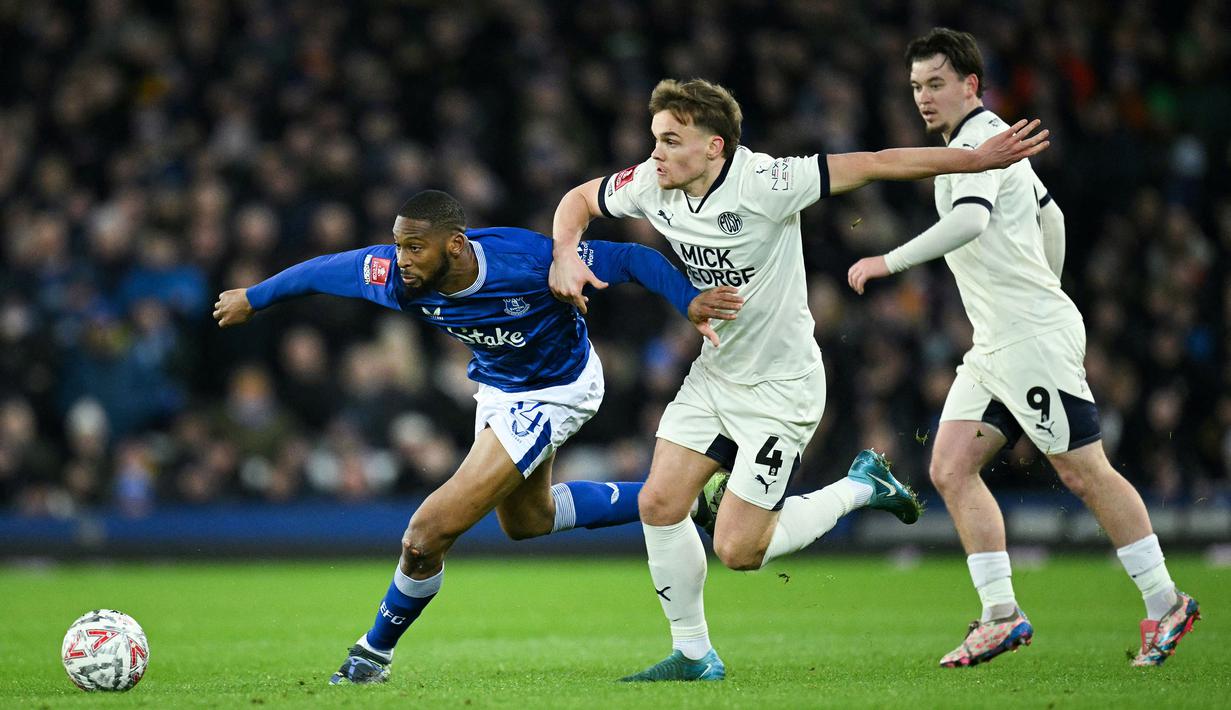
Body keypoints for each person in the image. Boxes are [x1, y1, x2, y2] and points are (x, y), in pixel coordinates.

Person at [549, 78, 1049, 681]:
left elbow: (877, 163)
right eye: (654, 138)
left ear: (715, 147)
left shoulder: (766, 182)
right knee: (658, 503)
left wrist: (976, 159)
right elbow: (578, 200)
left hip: (782, 391)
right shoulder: (650, 183)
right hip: (716, 375)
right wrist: (565, 253)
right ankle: (692, 654)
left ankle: (864, 483)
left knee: (739, 551)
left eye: (671, 140)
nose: (655, 153)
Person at [212, 189, 744, 684]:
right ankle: (686, 499)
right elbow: (324, 271)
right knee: (527, 521)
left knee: (427, 531)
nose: (402, 259)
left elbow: (631, 259)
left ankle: (371, 655)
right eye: (398, 245)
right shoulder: (399, 277)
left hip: (558, 389)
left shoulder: (530, 261)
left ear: (457, 245)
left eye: (415, 247)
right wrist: (254, 298)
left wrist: (688, 299)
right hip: (498, 387)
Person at [846, 27, 1200, 668]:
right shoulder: (982, 142)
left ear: (970, 84)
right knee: (950, 466)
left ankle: (1166, 600)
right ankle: (1001, 615)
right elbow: (1051, 216)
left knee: (1082, 471)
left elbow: (973, 220)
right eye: (916, 87)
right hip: (999, 341)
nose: (924, 98)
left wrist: (889, 260)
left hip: (1027, 335)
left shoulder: (982, 141)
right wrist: (1047, 287)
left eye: (936, 84)